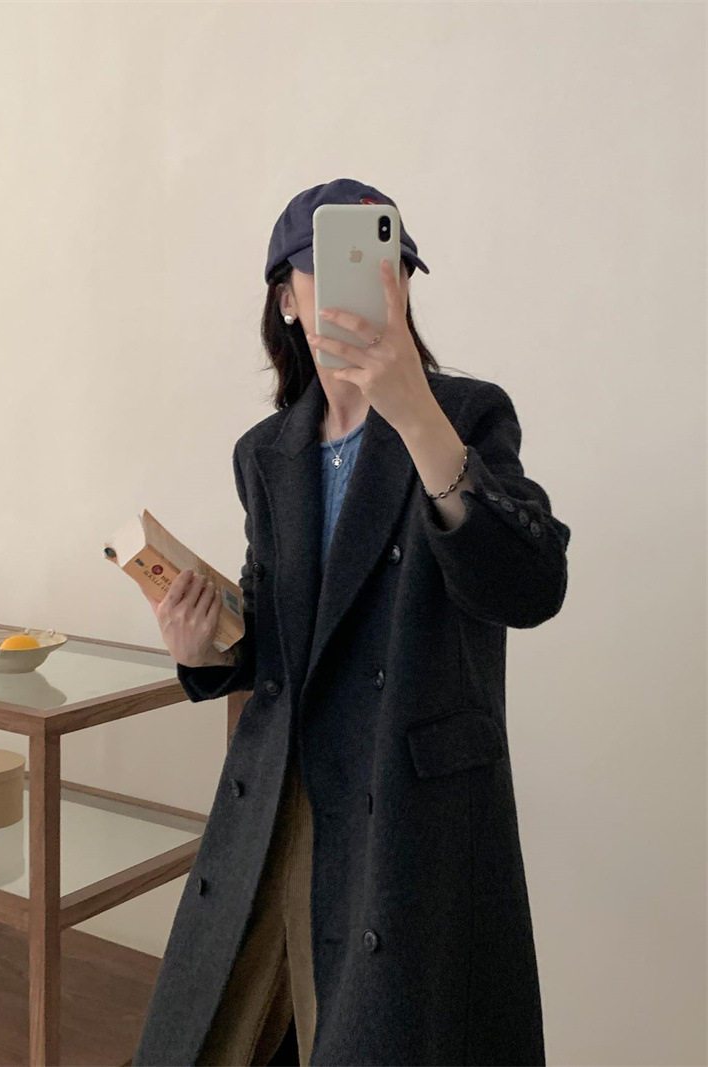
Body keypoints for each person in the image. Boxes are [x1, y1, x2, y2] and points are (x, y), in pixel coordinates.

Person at [133, 178, 571, 1067]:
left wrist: (416, 415)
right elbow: (285, 629)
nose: (367, 287)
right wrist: (206, 650)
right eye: (328, 269)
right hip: (283, 796)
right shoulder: (267, 453)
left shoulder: (465, 414)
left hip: (407, 811)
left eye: (387, 266)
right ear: (287, 301)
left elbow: (530, 586)